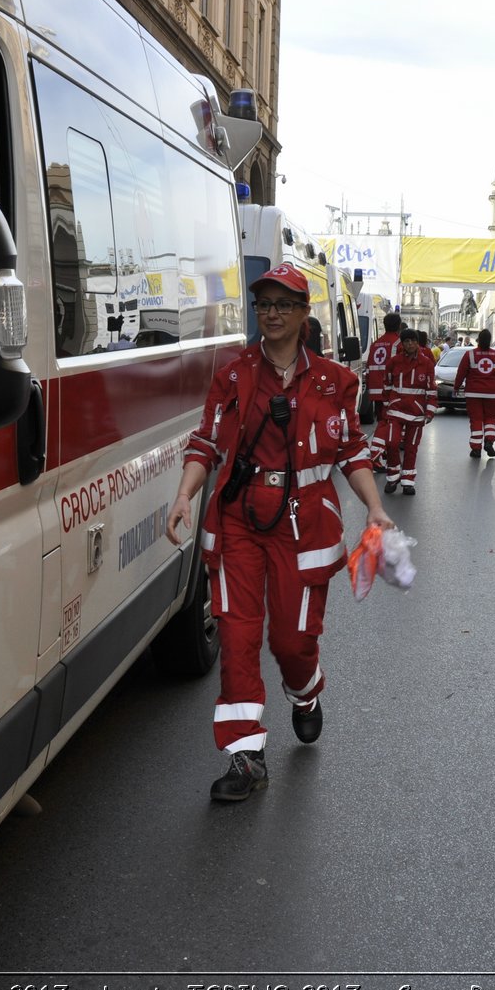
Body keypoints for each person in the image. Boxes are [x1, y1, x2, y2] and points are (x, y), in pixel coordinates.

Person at [166, 263, 394, 802]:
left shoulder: (336, 382)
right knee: (238, 635)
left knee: (291, 642)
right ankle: (245, 755)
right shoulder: (234, 375)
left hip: (304, 524)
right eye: (262, 304)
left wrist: (375, 508)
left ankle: (306, 692)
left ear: (302, 314)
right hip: (240, 520)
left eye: (282, 305)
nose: (269, 313)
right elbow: (206, 443)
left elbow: (351, 451)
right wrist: (184, 495)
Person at [382, 330, 437, 496]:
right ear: (402, 343)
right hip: (396, 411)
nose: (410, 344)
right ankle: (392, 477)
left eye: (413, 341)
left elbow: (431, 390)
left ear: (417, 343)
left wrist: (429, 412)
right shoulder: (394, 362)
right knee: (391, 443)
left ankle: (407, 482)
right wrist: (387, 405)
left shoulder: (426, 364)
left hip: (416, 413)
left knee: (411, 448)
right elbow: (387, 384)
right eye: (406, 341)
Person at [454, 328, 495, 458]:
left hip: (473, 393)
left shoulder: (470, 354)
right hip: (491, 393)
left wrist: (456, 387)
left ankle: (476, 449)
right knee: (491, 418)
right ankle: (489, 441)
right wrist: (493, 383)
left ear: (478, 340)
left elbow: (461, 372)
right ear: (489, 341)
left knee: (476, 419)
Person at [364, 311, 403, 464]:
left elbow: (368, 368)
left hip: (375, 390)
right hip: (390, 391)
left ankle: (384, 450)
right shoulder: (398, 344)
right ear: (399, 326)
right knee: (386, 423)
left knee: (382, 420)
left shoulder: (375, 344)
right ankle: (375, 455)